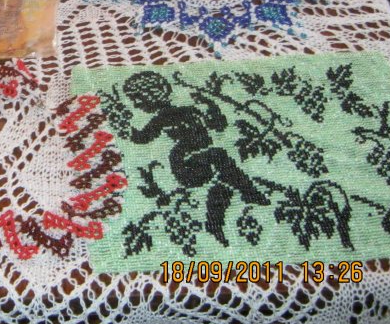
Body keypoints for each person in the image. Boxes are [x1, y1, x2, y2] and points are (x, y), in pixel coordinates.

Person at [105, 71, 269, 246]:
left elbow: (219, 125)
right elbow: (141, 138)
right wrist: (123, 125)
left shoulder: (181, 113)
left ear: (151, 96)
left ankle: (214, 225)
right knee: (219, 156)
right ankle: (249, 192)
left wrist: (210, 104)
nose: (136, 105)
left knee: (222, 188)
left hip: (200, 160)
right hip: (185, 164)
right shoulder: (169, 117)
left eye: (137, 100)